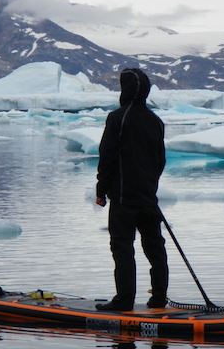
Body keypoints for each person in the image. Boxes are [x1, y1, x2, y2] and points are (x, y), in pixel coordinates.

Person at [95, 67, 169, 311]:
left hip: (124, 199)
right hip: (148, 198)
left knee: (123, 247)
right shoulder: (155, 121)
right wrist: (150, 187)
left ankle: (124, 301)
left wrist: (101, 189)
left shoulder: (118, 117)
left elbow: (107, 155)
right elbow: (160, 161)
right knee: (155, 248)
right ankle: (158, 299)